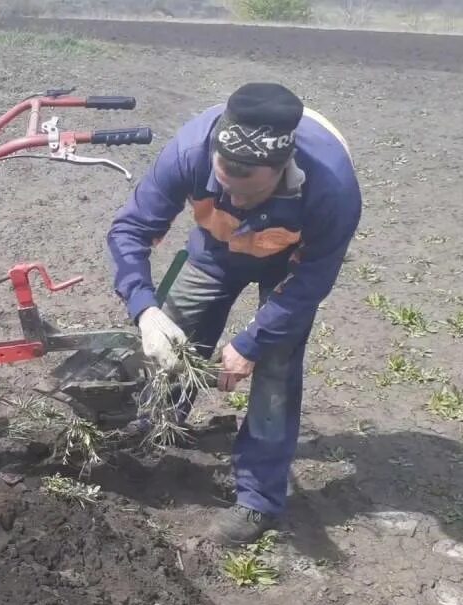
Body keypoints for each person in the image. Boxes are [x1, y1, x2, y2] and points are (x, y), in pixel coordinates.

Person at [104, 82, 362, 546]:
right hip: (215, 249)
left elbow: (310, 285)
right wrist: (145, 310)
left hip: (290, 262)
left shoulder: (332, 188)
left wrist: (252, 344)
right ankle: (159, 420)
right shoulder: (189, 151)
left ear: (283, 169)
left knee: (277, 368)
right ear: (214, 159)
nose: (237, 203)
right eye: (226, 188)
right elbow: (130, 229)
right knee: (177, 328)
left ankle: (258, 500)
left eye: (252, 196)